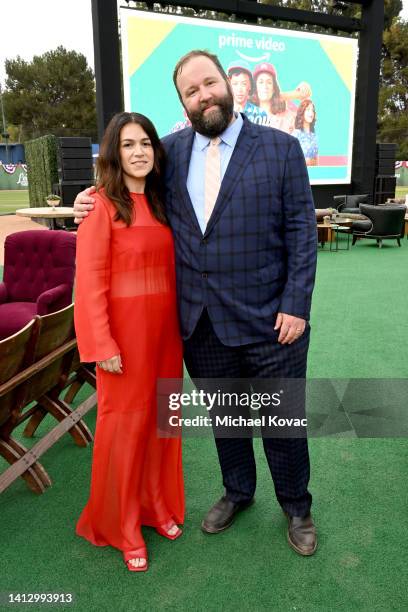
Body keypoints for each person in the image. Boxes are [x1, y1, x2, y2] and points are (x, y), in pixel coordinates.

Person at [74, 50, 318, 556]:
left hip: (274, 322)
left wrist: (295, 304)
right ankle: (237, 492)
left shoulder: (280, 147)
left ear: (228, 85)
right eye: (191, 91)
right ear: (183, 102)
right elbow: (127, 180)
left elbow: (301, 233)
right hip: (201, 324)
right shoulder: (171, 153)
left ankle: (296, 507)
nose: (203, 95)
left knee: (280, 422)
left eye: (209, 84)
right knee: (227, 421)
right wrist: (89, 196)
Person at [74, 112, 184, 572]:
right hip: (123, 343)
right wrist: (103, 345)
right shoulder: (99, 206)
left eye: (145, 143)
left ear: (156, 151)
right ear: (113, 154)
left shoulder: (162, 202)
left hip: (165, 339)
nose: (138, 152)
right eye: (127, 145)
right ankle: (122, 526)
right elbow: (90, 282)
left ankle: (155, 506)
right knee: (124, 432)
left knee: (162, 425)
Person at [251, 62, 296, 133]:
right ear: (255, 87)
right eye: (261, 82)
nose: (265, 86)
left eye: (269, 82)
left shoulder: (287, 117)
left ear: (274, 88)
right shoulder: (246, 114)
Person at [292, 99, 318, 166]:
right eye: (308, 109)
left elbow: (316, 160)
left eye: (312, 110)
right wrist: (308, 161)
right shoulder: (296, 134)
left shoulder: (313, 135)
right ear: (302, 112)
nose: (311, 113)